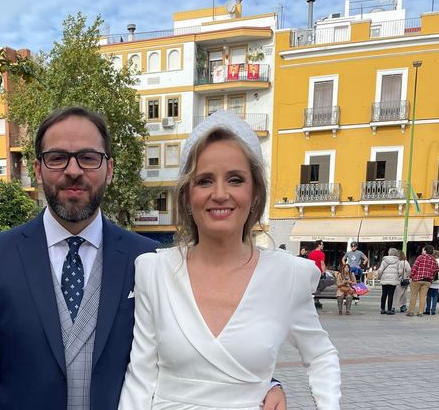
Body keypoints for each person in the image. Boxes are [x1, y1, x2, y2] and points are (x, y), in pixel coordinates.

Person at [0, 107, 286, 410]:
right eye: (57, 158)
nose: (73, 171)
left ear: (109, 169)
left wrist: (264, 385)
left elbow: (194, 349)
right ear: (38, 169)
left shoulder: (149, 260)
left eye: (88, 157)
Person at [119, 110, 341, 409]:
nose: (220, 194)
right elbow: (140, 377)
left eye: (235, 180)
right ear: (187, 195)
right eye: (205, 181)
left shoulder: (287, 275)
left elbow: (321, 356)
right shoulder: (154, 270)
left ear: (255, 194)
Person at [407, 244, 439, 317]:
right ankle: (420, 312)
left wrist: (411, 276)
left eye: (423, 249)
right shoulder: (434, 260)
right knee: (423, 297)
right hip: (427, 281)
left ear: (425, 250)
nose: (422, 251)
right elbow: (437, 270)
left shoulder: (420, 257)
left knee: (413, 296)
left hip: (417, 279)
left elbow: (414, 267)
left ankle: (411, 311)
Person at [376, 248, 401, 315]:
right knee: (391, 295)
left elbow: (380, 270)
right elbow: (400, 271)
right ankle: (389, 309)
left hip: (385, 279)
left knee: (384, 294)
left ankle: (382, 309)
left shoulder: (384, 260)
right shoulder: (398, 261)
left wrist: (379, 276)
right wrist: (397, 276)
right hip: (393, 280)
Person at [424, 250, 439, 315]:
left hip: (432, 281)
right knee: (435, 296)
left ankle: (428, 310)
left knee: (429, 296)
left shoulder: (432, 261)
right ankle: (433, 310)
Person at [308, 240, 326, 309]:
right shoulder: (321, 253)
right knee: (318, 287)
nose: (323, 246)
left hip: (312, 272)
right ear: (318, 245)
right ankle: (317, 301)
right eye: (322, 244)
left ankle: (311, 301)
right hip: (318, 272)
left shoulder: (311, 253)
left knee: (312, 287)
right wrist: (323, 272)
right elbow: (322, 263)